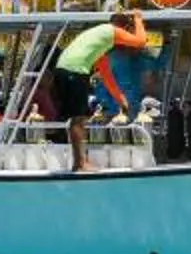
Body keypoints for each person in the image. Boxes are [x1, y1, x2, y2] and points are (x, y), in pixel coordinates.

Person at [54, 10, 160, 173]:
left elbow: (107, 76)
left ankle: (79, 162)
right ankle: (80, 164)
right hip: (75, 71)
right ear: (124, 28)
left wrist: (121, 100)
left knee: (76, 119)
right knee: (78, 120)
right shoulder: (112, 30)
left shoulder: (100, 42)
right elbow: (140, 42)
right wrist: (138, 19)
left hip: (63, 69)